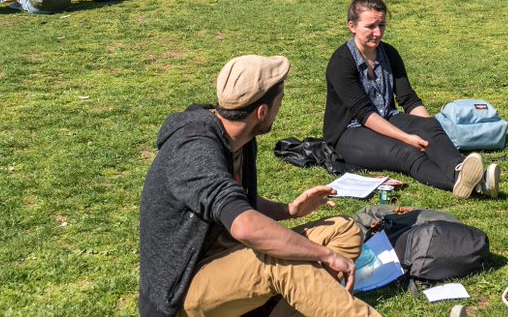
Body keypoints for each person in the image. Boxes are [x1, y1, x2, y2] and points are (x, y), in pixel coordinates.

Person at [139, 54, 380, 317]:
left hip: (229, 256)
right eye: (280, 101)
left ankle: (282, 306)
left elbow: (235, 203)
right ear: (261, 112)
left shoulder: (239, 136)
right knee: (285, 264)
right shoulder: (193, 150)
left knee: (343, 230)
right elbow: (244, 225)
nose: (281, 106)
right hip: (183, 288)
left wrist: (289, 210)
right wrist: (323, 255)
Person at [324, 0, 497, 197]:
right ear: (352, 26)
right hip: (349, 132)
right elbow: (364, 114)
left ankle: (460, 170)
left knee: (429, 125)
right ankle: (474, 185)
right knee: (406, 152)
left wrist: (431, 130)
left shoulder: (389, 53)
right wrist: (407, 137)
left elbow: (409, 100)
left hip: (387, 117)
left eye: (382, 25)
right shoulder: (341, 62)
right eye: (370, 26)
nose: (377, 33)